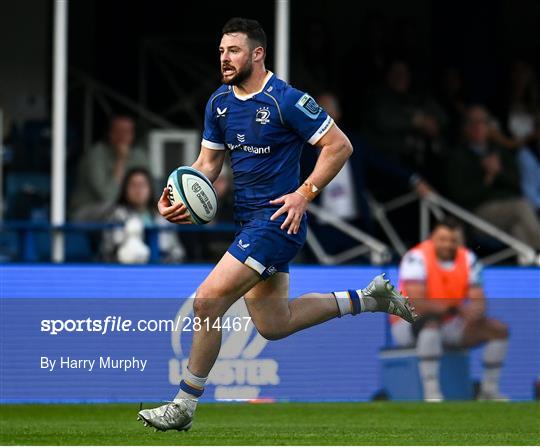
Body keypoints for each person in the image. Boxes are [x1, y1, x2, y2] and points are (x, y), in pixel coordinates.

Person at [137, 18, 416, 432]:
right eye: (221, 51)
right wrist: (175, 193)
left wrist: (305, 193)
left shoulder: (286, 100)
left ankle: (183, 405)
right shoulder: (219, 103)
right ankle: (366, 299)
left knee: (206, 302)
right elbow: (207, 166)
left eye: (233, 50)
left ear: (257, 53)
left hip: (276, 222)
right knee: (274, 324)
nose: (224, 58)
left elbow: (339, 145)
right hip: (247, 223)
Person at [393, 218, 509, 401]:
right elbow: (416, 303)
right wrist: (456, 309)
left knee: (498, 330)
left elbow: (478, 298)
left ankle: (489, 391)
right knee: (430, 325)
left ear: (460, 241)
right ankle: (432, 392)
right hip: (407, 323)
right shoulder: (416, 257)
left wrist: (476, 313)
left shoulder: (469, 259)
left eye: (453, 240)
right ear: (432, 238)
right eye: (443, 239)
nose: (448, 244)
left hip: (450, 322)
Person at [446, 106, 540, 252]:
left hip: (508, 210)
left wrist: (498, 173)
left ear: (489, 127)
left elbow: (516, 185)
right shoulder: (458, 157)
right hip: (476, 216)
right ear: (465, 128)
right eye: (473, 122)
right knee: (521, 207)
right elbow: (461, 196)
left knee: (519, 228)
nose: (478, 127)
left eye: (482, 122)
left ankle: (529, 268)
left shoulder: (500, 152)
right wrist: (487, 179)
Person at [71, 115, 149, 220]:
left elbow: (150, 191)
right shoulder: (96, 155)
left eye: (126, 132)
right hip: (86, 212)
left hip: (125, 211)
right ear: (109, 133)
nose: (122, 136)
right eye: (118, 131)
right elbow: (108, 196)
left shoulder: (138, 156)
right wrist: (121, 160)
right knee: (118, 211)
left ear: (133, 135)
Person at [101, 168, 185, 263]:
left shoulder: (162, 217)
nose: (138, 190)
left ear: (150, 189)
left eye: (142, 185)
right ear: (125, 189)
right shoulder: (116, 216)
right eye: (133, 185)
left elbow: (177, 252)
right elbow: (107, 252)